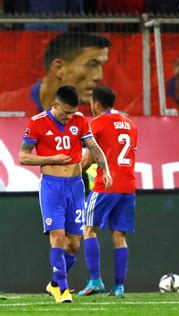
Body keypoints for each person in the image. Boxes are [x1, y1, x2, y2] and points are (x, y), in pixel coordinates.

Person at [18, 85, 112, 303]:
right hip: (52, 187)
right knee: (57, 237)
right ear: (55, 105)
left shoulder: (79, 120)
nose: (70, 117)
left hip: (75, 186)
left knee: (74, 245)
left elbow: (94, 147)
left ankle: (54, 283)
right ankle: (62, 289)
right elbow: (23, 156)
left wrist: (105, 170)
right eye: (66, 112)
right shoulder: (37, 122)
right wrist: (52, 159)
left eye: (73, 112)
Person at [78, 86, 137, 298]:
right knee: (119, 235)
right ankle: (119, 287)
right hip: (128, 186)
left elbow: (88, 159)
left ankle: (95, 280)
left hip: (106, 185)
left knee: (88, 229)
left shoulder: (97, 123)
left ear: (96, 104)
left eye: (91, 103)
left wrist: (69, 175)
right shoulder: (130, 124)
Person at [0, 32, 111, 117]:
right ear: (59, 68)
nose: (99, 76)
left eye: (101, 65)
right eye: (91, 65)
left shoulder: (100, 116)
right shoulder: (6, 108)